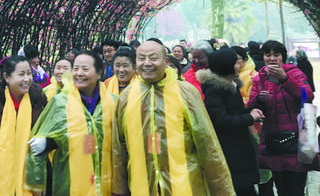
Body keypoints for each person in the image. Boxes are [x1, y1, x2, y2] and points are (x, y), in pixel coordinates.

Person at [112, 40, 234, 196]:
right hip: (142, 186)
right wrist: (119, 189)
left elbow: (207, 143)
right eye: (141, 58)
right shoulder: (126, 97)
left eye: (153, 58)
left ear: (166, 62)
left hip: (185, 185)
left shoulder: (186, 92)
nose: (147, 63)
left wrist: (222, 190)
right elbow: (119, 148)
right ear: (136, 62)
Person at [26, 50, 117, 195]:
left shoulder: (113, 102)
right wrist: (46, 142)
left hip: (106, 179)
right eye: (76, 68)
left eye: (85, 69)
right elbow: (43, 139)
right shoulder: (60, 102)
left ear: (99, 73)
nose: (79, 73)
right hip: (69, 178)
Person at [0, 55, 47, 194]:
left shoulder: (38, 99)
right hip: (3, 173)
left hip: (34, 176)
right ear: (6, 77)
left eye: (29, 73)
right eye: (21, 74)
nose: (27, 79)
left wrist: (47, 142)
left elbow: (53, 131)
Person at [247, 40, 314, 196]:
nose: (271, 58)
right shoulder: (259, 78)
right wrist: (258, 100)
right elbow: (251, 106)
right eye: (267, 54)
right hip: (274, 140)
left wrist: (285, 79)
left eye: (276, 54)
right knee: (282, 189)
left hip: (298, 140)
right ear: (262, 57)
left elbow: (307, 96)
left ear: (282, 57)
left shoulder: (294, 72)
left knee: (296, 190)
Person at [198, 49, 264, 196]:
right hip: (228, 148)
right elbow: (221, 120)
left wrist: (253, 111)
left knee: (247, 187)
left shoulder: (232, 84)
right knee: (239, 187)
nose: (239, 65)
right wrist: (249, 118)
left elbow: (236, 112)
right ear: (225, 65)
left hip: (240, 146)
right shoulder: (214, 90)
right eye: (235, 62)